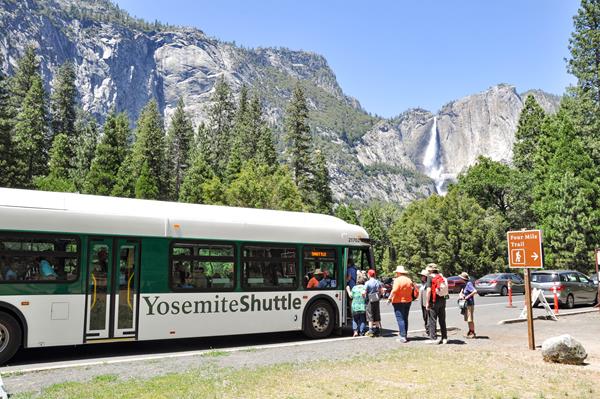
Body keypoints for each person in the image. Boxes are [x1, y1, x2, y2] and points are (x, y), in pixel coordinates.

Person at [388, 265, 418, 343]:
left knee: (400, 319)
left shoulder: (397, 280)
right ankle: (405, 335)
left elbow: (394, 290)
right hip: (408, 301)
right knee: (405, 318)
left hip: (398, 301)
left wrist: (389, 298)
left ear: (398, 273)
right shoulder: (409, 280)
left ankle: (402, 336)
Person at [425, 263, 448, 344]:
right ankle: (444, 338)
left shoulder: (430, 277)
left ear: (430, 270)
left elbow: (428, 291)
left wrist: (427, 302)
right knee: (442, 320)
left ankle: (433, 338)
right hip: (442, 300)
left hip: (433, 301)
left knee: (432, 320)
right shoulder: (441, 277)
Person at [458, 271, 477, 338]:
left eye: (461, 278)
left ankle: (472, 332)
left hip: (470, 304)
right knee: (468, 319)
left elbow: (475, 291)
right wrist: (460, 295)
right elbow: (462, 292)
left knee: (470, 319)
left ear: (463, 279)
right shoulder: (465, 284)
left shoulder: (469, 284)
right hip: (466, 304)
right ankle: (470, 331)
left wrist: (467, 297)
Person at [364, 269, 383, 337]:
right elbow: (381, 291)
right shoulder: (378, 282)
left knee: (370, 315)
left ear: (369, 275)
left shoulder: (367, 283)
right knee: (376, 314)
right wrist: (379, 296)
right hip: (376, 299)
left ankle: (370, 330)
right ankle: (377, 330)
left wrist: (364, 297)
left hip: (370, 300)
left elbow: (364, 292)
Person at [418, 269, 429, 333]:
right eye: (421, 276)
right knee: (425, 317)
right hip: (423, 303)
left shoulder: (428, 284)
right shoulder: (422, 284)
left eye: (423, 276)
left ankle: (429, 330)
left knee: (427, 317)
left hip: (426, 303)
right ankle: (427, 329)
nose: (421, 277)